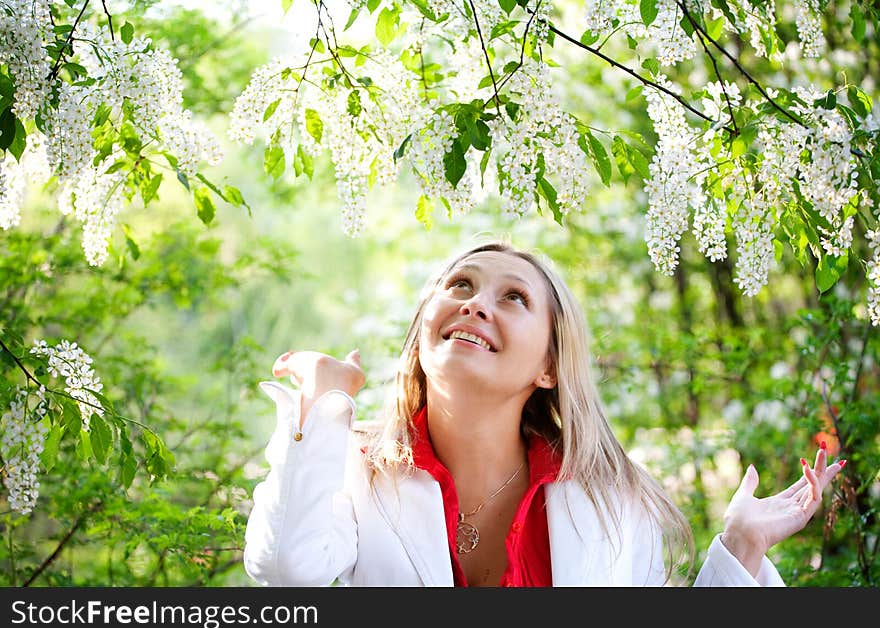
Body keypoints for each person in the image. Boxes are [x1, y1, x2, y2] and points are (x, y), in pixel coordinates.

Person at [243, 241, 845, 586]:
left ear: (549, 367)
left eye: (514, 297)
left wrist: (740, 548)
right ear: (425, 329)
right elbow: (286, 569)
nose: (476, 304)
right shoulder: (356, 469)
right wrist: (323, 406)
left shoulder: (612, 502)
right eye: (459, 285)